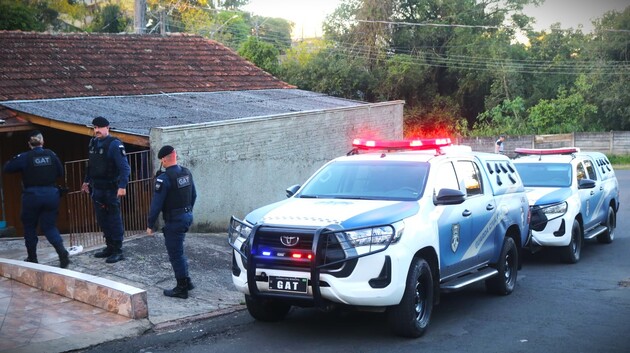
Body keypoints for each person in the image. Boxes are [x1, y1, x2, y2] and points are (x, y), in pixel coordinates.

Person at [3, 130, 69, 268]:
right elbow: (60, 172)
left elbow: (7, 168)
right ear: (42, 142)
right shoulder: (51, 154)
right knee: (49, 226)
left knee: (29, 227)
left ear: (29, 144)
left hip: (32, 196)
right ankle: (62, 252)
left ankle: (32, 258)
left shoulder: (25, 157)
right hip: (51, 194)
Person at [147, 145, 197, 299]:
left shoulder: (164, 179)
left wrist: (150, 225)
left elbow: (157, 204)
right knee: (179, 251)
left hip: (175, 220)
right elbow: (194, 195)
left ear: (163, 160)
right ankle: (187, 281)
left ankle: (181, 288)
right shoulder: (186, 172)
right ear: (175, 155)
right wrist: (187, 212)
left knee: (175, 254)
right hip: (187, 216)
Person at [81, 116, 131, 263]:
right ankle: (109, 246)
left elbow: (125, 168)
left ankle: (117, 250)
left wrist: (122, 186)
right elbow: (91, 165)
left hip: (111, 188)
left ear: (107, 128)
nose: (96, 130)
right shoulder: (93, 143)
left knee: (114, 219)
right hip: (97, 188)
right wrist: (86, 182)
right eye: (94, 128)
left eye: (99, 128)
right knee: (102, 219)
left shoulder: (114, 144)